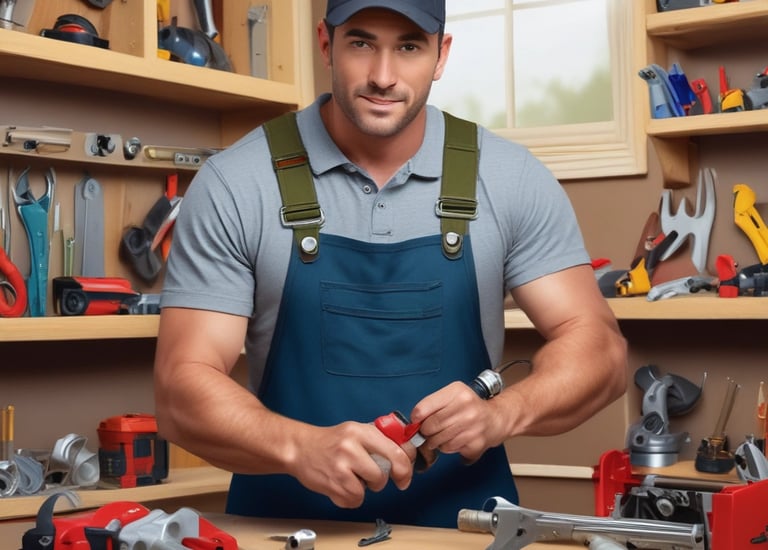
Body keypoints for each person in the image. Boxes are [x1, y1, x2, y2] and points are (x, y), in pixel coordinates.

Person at [153, 0, 627, 528]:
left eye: (408, 46)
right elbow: (180, 387)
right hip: (284, 531)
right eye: (361, 43)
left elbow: (601, 351)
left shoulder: (511, 178)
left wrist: (501, 414)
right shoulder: (235, 184)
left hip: (468, 530)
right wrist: (297, 447)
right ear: (325, 43)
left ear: (441, 54)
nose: (383, 76)